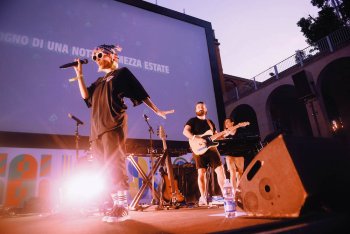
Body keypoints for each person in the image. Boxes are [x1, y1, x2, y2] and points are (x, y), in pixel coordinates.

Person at [72, 44, 174, 223]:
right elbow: (86, 98)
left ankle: (122, 206)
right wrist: (79, 74)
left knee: (114, 164)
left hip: (113, 125)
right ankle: (113, 204)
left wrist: (156, 110)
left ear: (113, 57)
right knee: (101, 169)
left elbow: (139, 92)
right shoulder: (99, 82)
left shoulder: (121, 74)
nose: (96, 59)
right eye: (94, 56)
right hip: (96, 130)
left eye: (100, 55)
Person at [183, 101, 226, 206]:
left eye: (202, 107)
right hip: (198, 149)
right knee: (201, 173)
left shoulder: (210, 122)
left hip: (211, 149)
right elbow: (185, 132)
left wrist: (224, 134)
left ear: (206, 110)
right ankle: (203, 197)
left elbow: (215, 135)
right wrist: (196, 138)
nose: (200, 108)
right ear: (196, 110)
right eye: (198, 107)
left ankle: (226, 195)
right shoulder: (192, 121)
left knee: (220, 170)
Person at [222, 118, 245, 191]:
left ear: (232, 123)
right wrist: (239, 125)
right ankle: (234, 191)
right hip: (229, 154)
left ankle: (240, 191)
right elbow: (227, 133)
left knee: (240, 173)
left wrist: (239, 126)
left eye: (228, 122)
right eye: (225, 123)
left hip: (239, 153)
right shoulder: (225, 132)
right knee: (232, 172)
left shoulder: (239, 131)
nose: (226, 124)